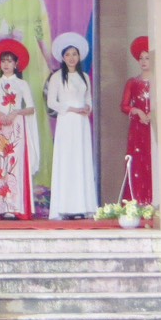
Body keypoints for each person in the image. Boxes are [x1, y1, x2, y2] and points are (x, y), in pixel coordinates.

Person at [0, 0, 53, 188]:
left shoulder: (35, 3)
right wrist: (9, 33)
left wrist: (50, 62)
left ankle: (39, 173)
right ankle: (13, 170)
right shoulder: (4, 6)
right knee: (11, 109)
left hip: (33, 60)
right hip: (14, 56)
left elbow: (39, 36)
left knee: (33, 110)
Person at [0, 40, 38, 219]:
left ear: (16, 64)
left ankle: (15, 207)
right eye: (3, 61)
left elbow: (31, 108)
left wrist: (16, 112)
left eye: (9, 61)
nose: (6, 64)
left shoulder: (22, 85)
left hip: (16, 130)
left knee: (14, 167)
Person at [46, 32, 97, 219]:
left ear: (79, 56)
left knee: (81, 161)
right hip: (66, 122)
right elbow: (52, 102)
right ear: (62, 57)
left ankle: (81, 206)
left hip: (81, 124)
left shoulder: (84, 76)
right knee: (67, 161)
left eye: (74, 54)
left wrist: (87, 108)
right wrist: (71, 109)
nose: (71, 58)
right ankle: (65, 207)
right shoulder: (57, 77)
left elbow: (88, 98)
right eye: (67, 55)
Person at [120, 35, 154, 204]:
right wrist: (138, 112)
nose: (143, 61)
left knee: (153, 162)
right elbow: (124, 106)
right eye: (141, 58)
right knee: (138, 163)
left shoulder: (160, 81)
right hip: (138, 128)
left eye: (147, 58)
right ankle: (137, 201)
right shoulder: (133, 82)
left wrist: (152, 114)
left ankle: (154, 200)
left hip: (155, 128)